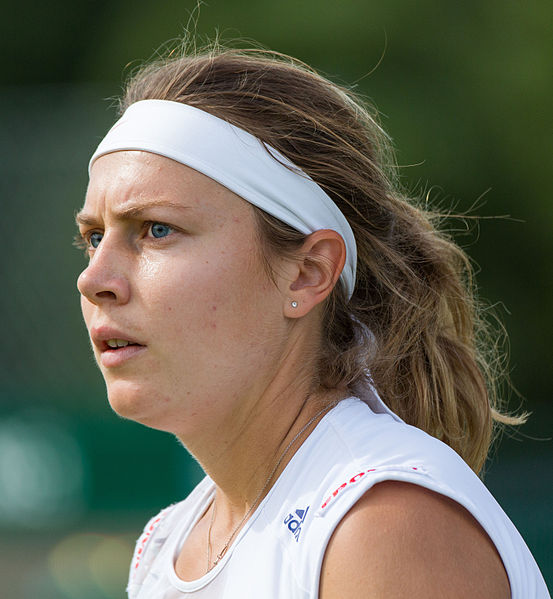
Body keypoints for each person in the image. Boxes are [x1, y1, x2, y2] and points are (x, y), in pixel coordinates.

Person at [76, 46, 550, 598]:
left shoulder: (378, 524)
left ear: (306, 273)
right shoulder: (167, 543)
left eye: (156, 229)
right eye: (92, 237)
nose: (94, 279)